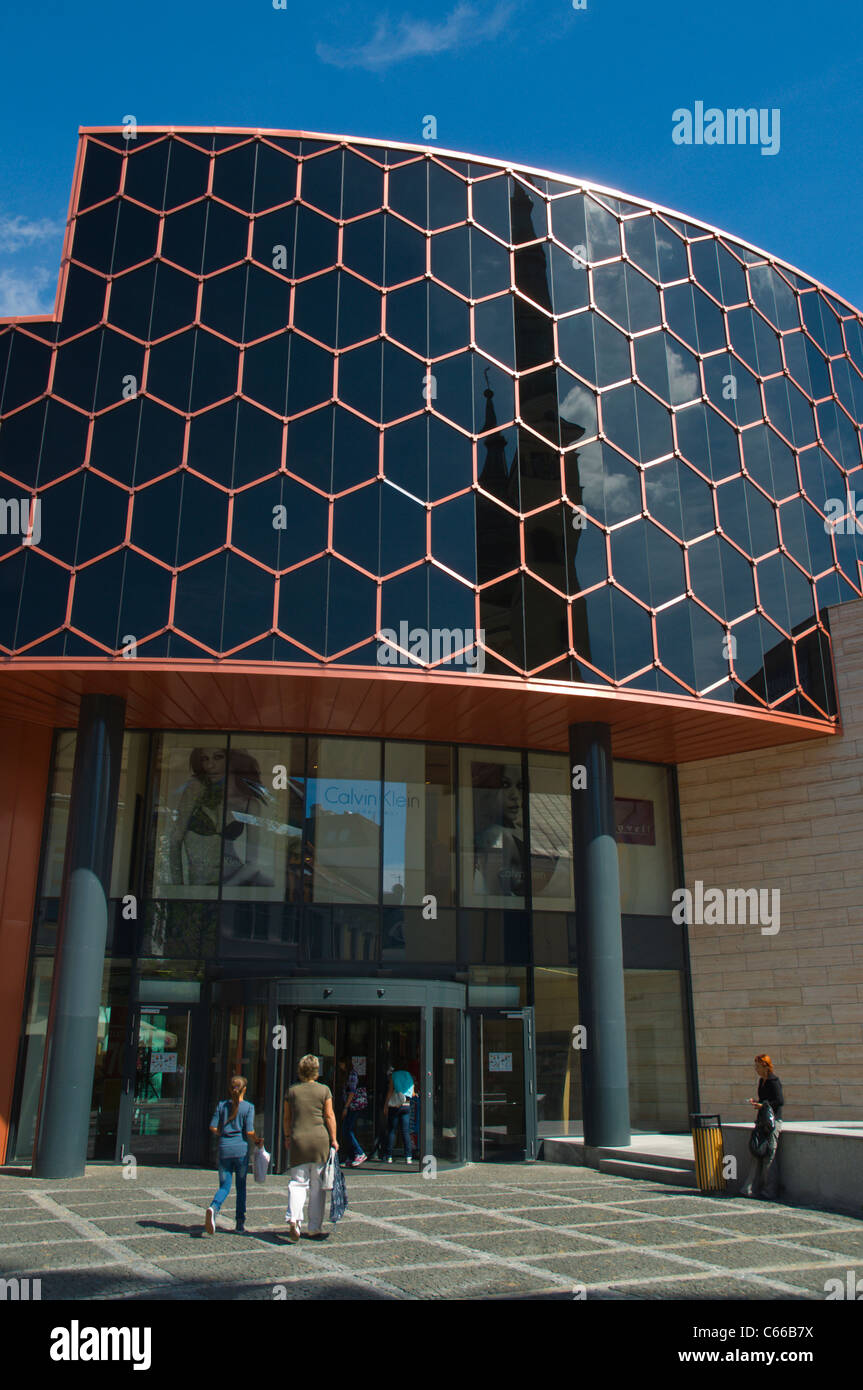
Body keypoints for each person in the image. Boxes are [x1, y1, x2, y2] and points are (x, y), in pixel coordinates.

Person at [170, 746, 273, 887]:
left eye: (218, 757)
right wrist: (177, 888)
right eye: (204, 759)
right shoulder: (196, 790)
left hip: (232, 883)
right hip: (198, 888)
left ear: (233, 761)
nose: (209, 765)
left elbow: (252, 863)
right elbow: (175, 840)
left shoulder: (249, 804)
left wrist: (225, 891)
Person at [283, 1054, 338, 1241]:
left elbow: (287, 1118)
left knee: (297, 1183)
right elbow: (329, 1116)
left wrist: (287, 1136)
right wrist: (334, 1139)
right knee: (317, 1187)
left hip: (299, 1140)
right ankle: (314, 1227)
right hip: (319, 1141)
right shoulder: (324, 1091)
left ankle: (294, 1219)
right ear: (316, 1071)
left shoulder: (292, 1091)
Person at [205, 1074, 262, 1234]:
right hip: (241, 1150)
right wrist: (257, 1141)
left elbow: (213, 1127)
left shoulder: (222, 1106)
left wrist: (222, 1135)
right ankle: (239, 1223)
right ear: (245, 1089)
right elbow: (249, 1131)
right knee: (241, 1187)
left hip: (224, 1148)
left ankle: (214, 1207)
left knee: (224, 1186)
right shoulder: (249, 1107)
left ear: (230, 1089)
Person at [740, 1054, 784, 1201]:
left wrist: (763, 1105)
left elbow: (779, 1101)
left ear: (765, 1066)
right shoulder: (762, 1081)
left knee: (769, 1154)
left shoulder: (774, 1081)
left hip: (772, 1121)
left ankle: (769, 1190)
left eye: (758, 1066)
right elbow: (766, 1100)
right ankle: (749, 1188)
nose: (756, 1069)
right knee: (757, 1152)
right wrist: (757, 1102)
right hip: (762, 1121)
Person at [383, 1060, 416, 1164]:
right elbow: (413, 1092)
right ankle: (408, 1157)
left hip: (395, 1105)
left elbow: (390, 1091)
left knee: (392, 1130)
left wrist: (386, 1105)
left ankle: (389, 1156)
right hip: (406, 1105)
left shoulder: (394, 1075)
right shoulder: (409, 1076)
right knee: (405, 1131)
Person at [338, 1057, 367, 1167]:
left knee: (347, 1130)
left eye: (341, 1063)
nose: (340, 1066)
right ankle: (351, 1156)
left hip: (353, 1106)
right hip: (351, 1105)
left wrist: (346, 1107)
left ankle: (359, 1153)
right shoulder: (347, 1074)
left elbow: (352, 1091)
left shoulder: (352, 1074)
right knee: (346, 1130)